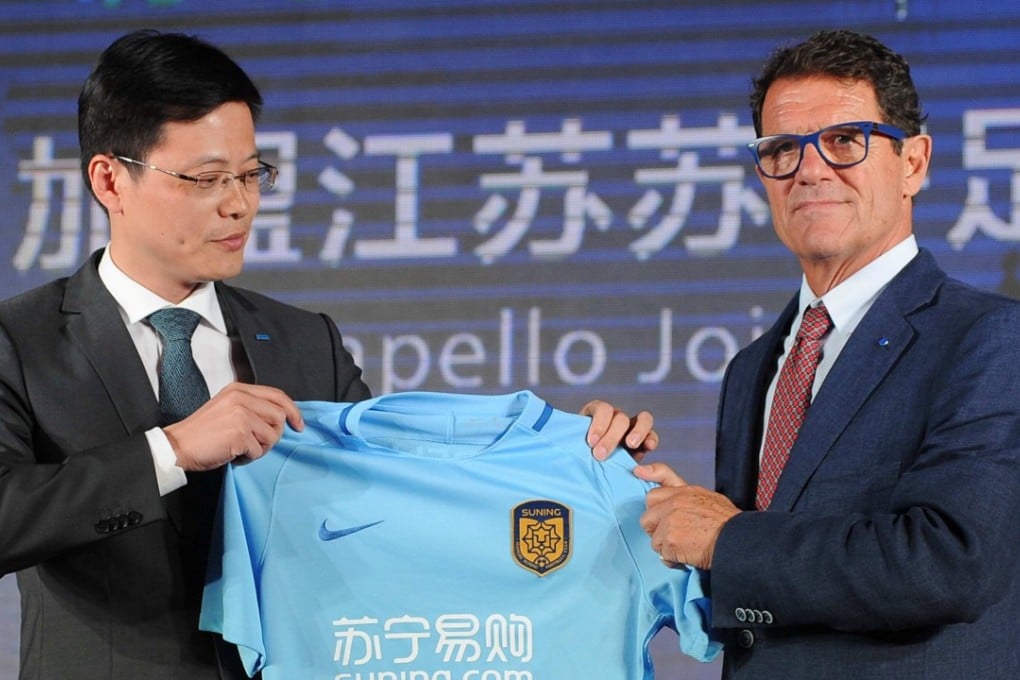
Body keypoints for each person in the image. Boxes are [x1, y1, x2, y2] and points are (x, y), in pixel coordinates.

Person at [0, 30, 654, 680]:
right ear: (110, 180)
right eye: (206, 179)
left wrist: (577, 462)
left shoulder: (304, 340)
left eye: (252, 174)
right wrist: (172, 450)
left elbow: (398, 505)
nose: (240, 204)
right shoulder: (20, 340)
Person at [632, 29, 1020, 678]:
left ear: (914, 163)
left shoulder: (990, 340)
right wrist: (645, 507)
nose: (810, 170)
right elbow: (761, 590)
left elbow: (951, 561)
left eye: (844, 141)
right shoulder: (754, 366)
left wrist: (727, 538)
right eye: (782, 149)